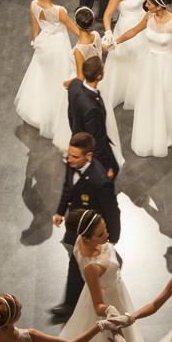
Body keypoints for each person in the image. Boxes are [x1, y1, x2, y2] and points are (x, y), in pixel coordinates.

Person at [113, 0, 172, 157]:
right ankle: (152, 132)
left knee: (166, 98)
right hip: (149, 64)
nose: (146, 5)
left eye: (149, 3)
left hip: (165, 65)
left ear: (159, 5)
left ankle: (168, 133)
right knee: (149, 97)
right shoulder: (148, 17)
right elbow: (134, 31)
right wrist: (115, 41)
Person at [52, 133, 124, 311]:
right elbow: (68, 188)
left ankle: (74, 304)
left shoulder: (100, 181)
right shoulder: (72, 163)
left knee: (78, 264)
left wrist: (113, 239)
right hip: (77, 225)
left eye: (75, 156)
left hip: (90, 230)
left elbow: (113, 211)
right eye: (69, 155)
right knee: (77, 262)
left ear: (88, 156)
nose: (69, 159)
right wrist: (61, 211)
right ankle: (73, 302)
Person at [16, 0, 77, 143]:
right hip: (57, 46)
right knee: (60, 77)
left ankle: (40, 111)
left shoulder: (34, 5)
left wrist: (35, 40)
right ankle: (58, 113)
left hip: (44, 45)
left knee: (44, 77)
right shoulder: (59, 12)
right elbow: (74, 30)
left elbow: (34, 24)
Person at [69, 55, 121, 176]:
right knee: (112, 172)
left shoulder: (74, 86)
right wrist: (102, 164)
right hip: (95, 151)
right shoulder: (93, 108)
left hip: (77, 134)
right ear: (99, 77)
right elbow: (95, 138)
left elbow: (71, 114)